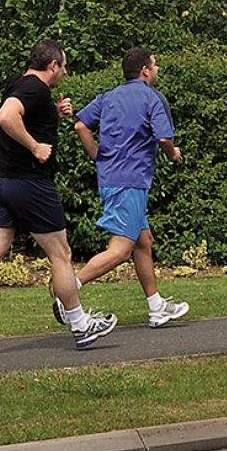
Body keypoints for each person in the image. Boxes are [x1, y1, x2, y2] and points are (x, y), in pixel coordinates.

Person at [0, 40, 117, 360]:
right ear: (52, 66)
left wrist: (53, 114)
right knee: (61, 254)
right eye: (64, 67)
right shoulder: (35, 89)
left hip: (1, 184)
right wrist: (35, 146)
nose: (65, 73)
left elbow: (20, 114)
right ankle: (81, 326)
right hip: (31, 185)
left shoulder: (21, 85)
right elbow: (6, 116)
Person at [58, 47, 189, 329]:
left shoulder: (109, 97)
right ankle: (66, 291)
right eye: (154, 65)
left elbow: (81, 125)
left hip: (114, 179)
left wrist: (97, 155)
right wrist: (173, 154)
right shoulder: (151, 99)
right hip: (130, 182)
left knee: (143, 242)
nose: (157, 69)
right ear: (145, 70)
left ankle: (156, 307)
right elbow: (165, 138)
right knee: (120, 249)